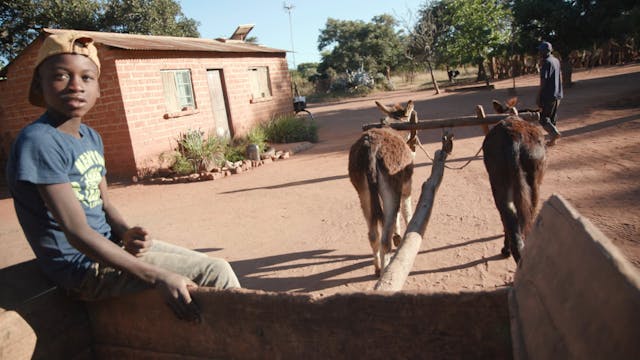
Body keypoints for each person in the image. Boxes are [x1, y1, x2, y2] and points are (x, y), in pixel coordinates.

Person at [6, 31, 240, 322]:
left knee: (214, 265)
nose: (76, 86)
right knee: (213, 273)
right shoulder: (39, 141)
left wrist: (125, 232)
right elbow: (77, 232)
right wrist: (157, 276)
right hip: (82, 268)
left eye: (87, 77)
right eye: (61, 76)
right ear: (39, 86)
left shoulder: (90, 136)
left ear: (99, 89)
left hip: (110, 249)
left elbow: (104, 204)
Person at [537, 41, 563, 146]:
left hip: (548, 95)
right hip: (558, 94)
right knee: (552, 118)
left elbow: (543, 81)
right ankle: (553, 140)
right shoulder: (556, 60)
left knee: (543, 118)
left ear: (544, 52)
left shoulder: (546, 62)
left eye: (540, 51)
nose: (539, 52)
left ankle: (554, 133)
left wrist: (539, 96)